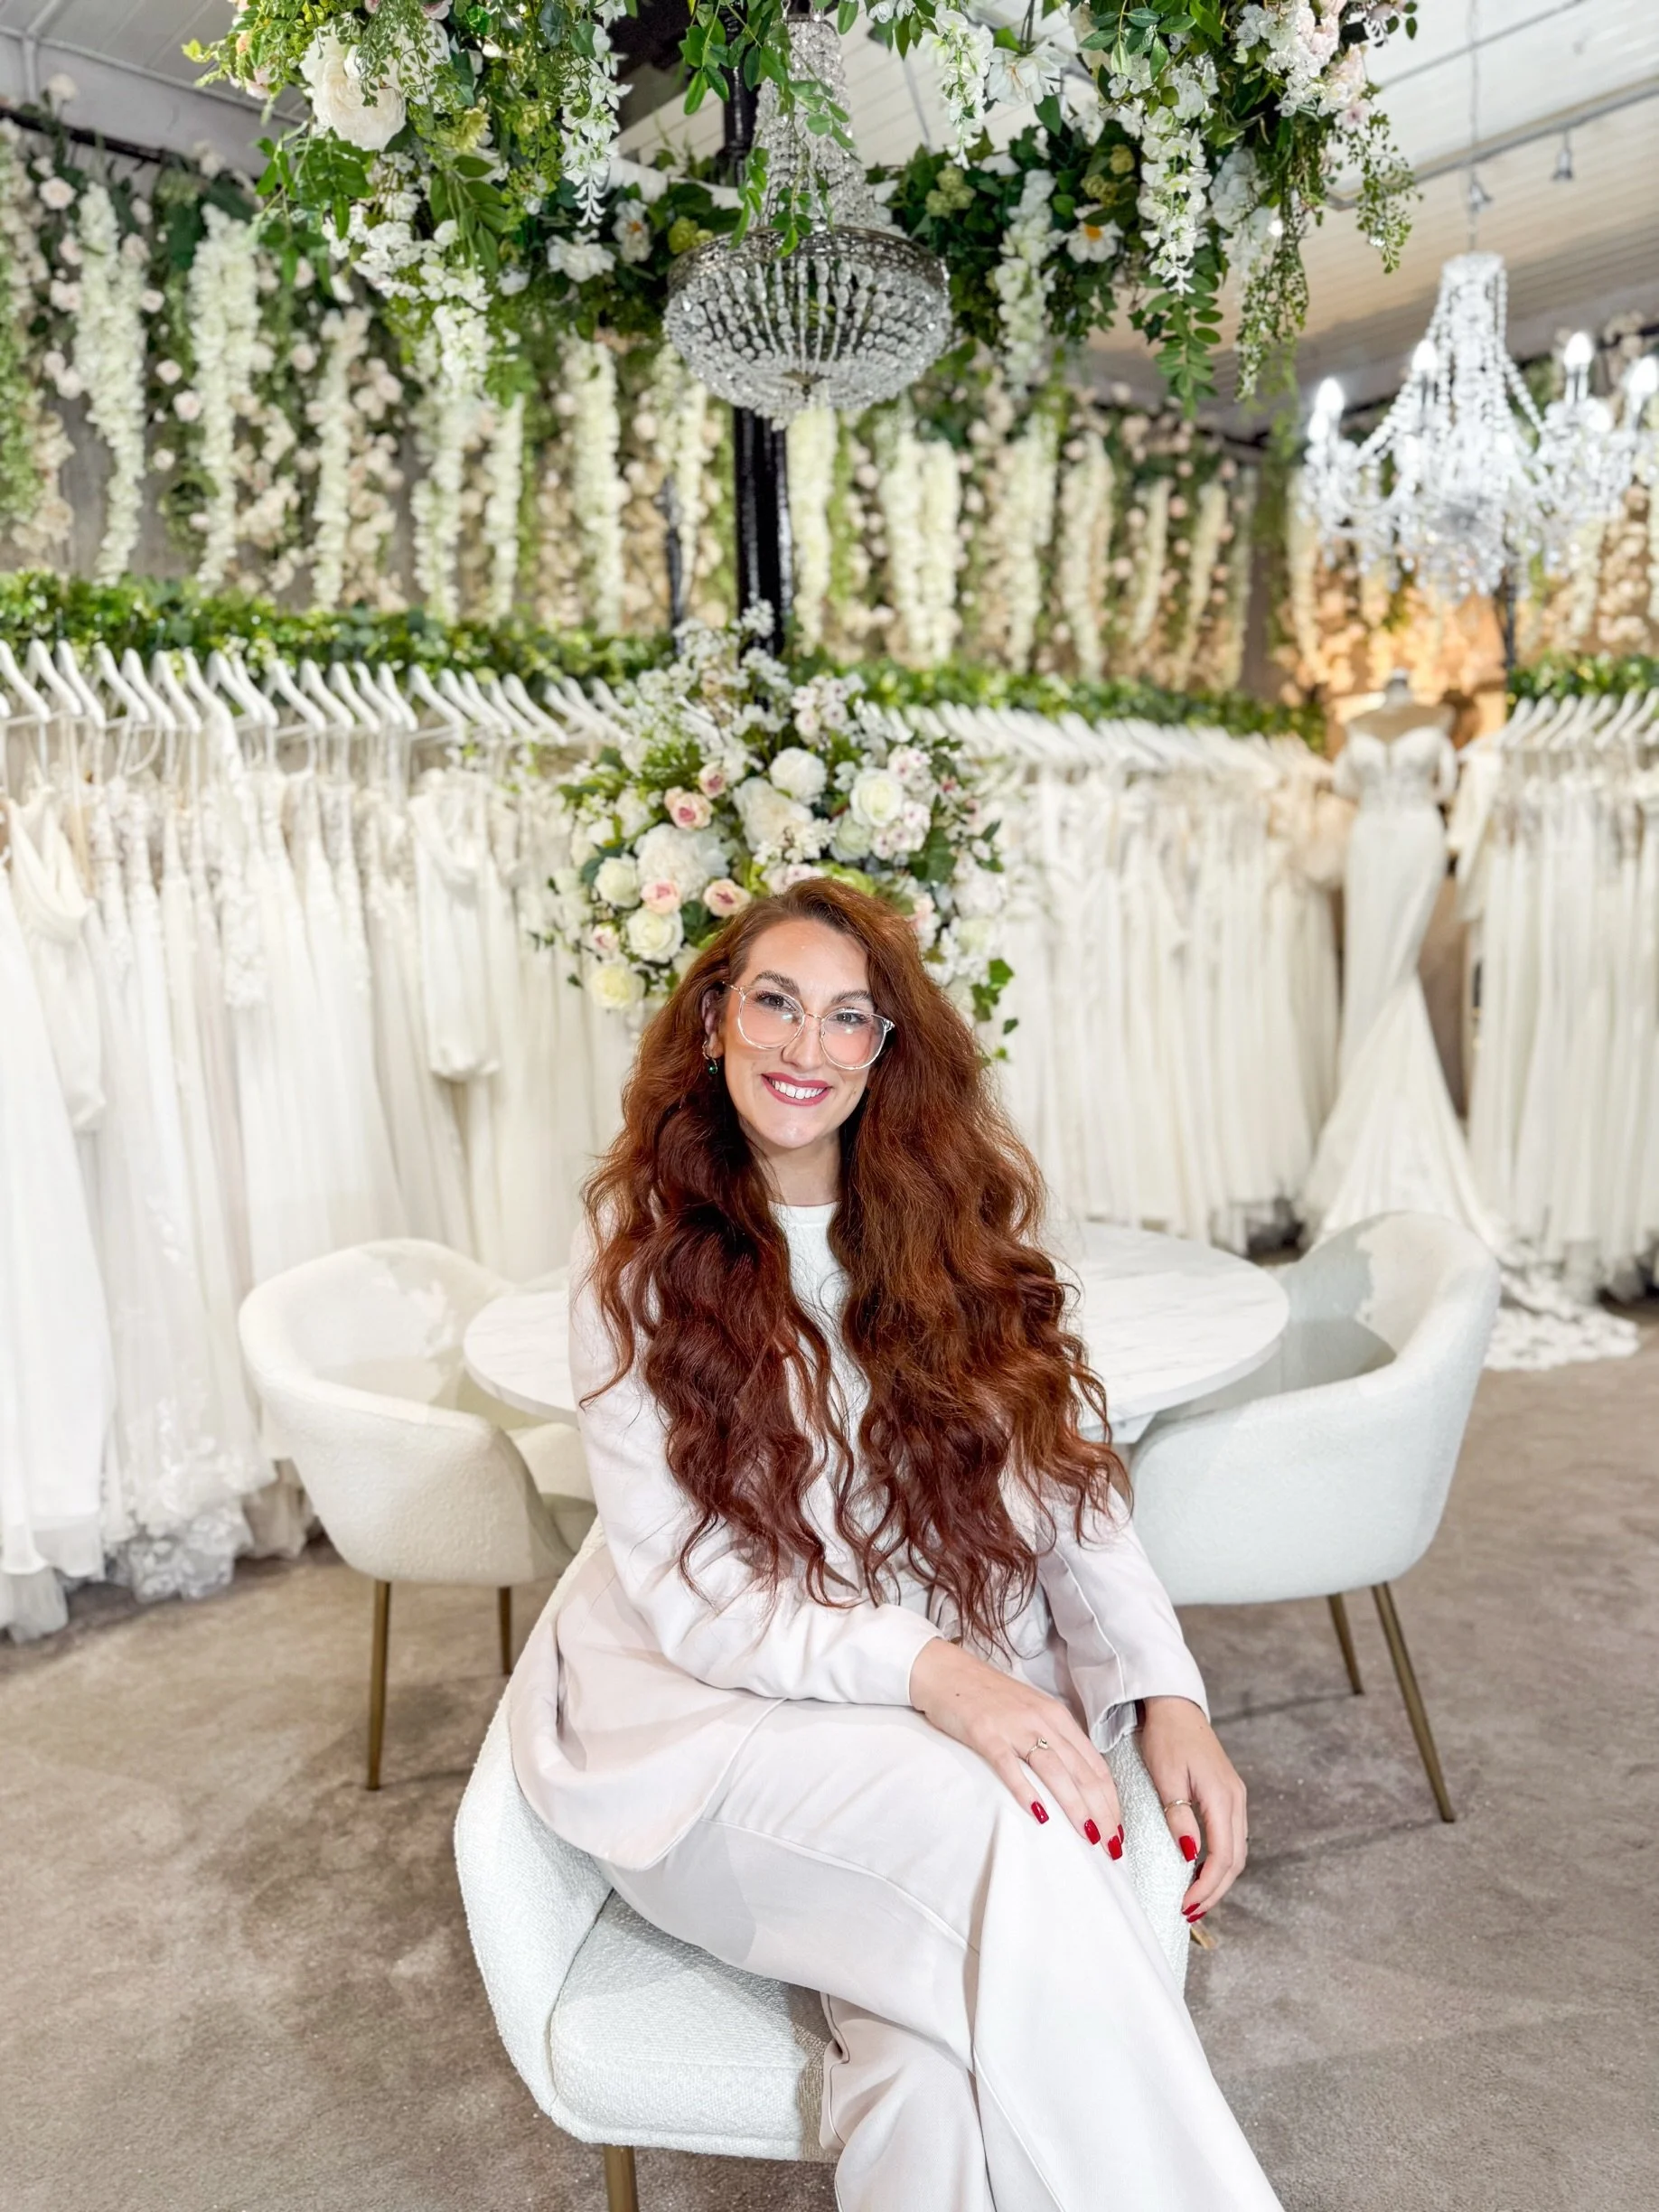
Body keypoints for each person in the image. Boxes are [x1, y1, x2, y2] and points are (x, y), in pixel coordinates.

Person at [511, 876, 1281, 2209]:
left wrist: (1165, 1692)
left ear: (884, 1052)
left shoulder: (952, 1240)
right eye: (774, 1003)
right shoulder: (630, 1272)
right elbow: (703, 1606)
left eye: (847, 1019)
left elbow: (1066, 1486)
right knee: (1014, 1823)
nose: (804, 1049)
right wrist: (937, 1671)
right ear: (712, 1021)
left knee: (929, 2077)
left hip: (922, 1696)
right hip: (720, 1735)